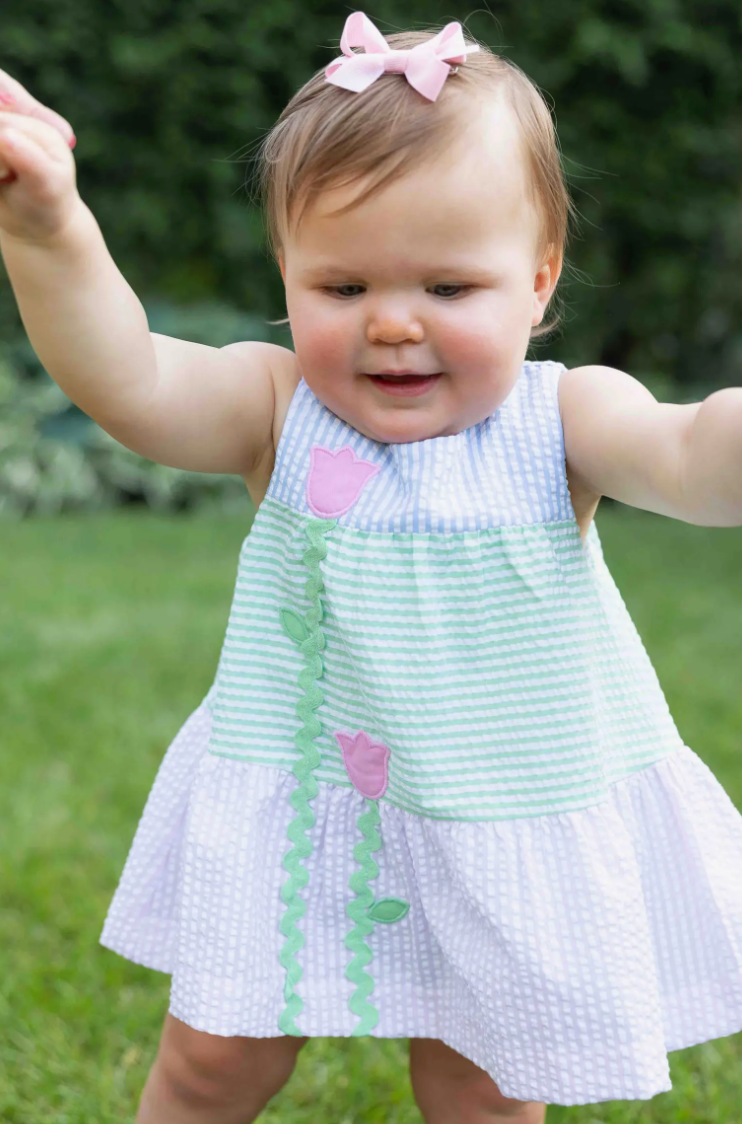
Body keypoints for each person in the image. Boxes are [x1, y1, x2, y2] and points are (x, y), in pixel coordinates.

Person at [1, 11, 742, 1122]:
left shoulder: (563, 419)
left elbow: (690, 457)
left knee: (484, 1087)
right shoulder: (278, 409)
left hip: (499, 815)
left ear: (537, 283)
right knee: (216, 1060)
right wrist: (50, 227)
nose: (393, 323)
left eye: (449, 289)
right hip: (308, 806)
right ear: (289, 273)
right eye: (342, 289)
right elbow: (132, 380)